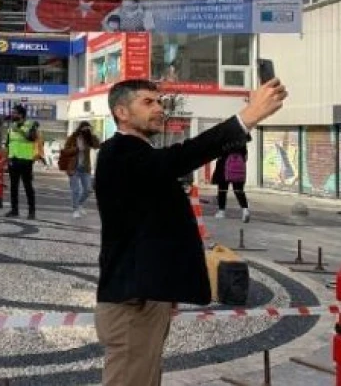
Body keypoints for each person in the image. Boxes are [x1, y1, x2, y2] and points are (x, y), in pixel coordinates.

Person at [94, 78, 287, 385]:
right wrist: (246, 118)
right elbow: (184, 155)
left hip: (147, 296)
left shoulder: (141, 157)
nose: (159, 108)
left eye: (160, 101)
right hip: (132, 303)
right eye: (148, 102)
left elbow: (150, 227)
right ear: (122, 112)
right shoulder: (118, 153)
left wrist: (167, 287)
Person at [5, 105, 38, 219]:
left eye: (14, 113)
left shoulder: (30, 125)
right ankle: (14, 210)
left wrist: (19, 129)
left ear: (21, 114)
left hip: (25, 160)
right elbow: (8, 143)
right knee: (13, 186)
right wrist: (7, 158)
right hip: (13, 159)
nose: (12, 114)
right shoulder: (11, 126)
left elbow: (32, 138)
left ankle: (31, 211)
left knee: (27, 186)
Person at [61, 122, 100, 218]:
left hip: (85, 168)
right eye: (85, 129)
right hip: (73, 167)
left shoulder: (89, 138)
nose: (86, 131)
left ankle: (79, 204)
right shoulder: (73, 138)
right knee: (76, 190)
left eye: (88, 129)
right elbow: (65, 151)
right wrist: (77, 149)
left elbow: (97, 145)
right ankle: (75, 210)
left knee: (88, 189)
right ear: (80, 128)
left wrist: (91, 135)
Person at [213, 144, 251, 222]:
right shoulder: (241, 140)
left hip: (224, 165)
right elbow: (245, 157)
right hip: (238, 166)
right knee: (239, 190)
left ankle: (221, 211)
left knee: (222, 190)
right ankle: (245, 210)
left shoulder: (224, 138)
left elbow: (217, 152)